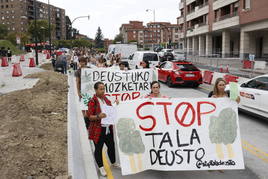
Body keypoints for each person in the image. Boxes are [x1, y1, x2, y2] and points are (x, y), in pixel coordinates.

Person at [87, 82, 119, 177]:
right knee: (98, 149)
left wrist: (115, 104)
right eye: (100, 89)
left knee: (111, 146)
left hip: (108, 128)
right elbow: (89, 116)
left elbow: (110, 109)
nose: (103, 91)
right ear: (96, 90)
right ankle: (101, 167)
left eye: (104, 89)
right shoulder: (92, 101)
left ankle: (113, 162)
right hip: (98, 130)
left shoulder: (105, 99)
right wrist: (98, 116)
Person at [75, 57, 90, 129]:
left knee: (90, 106)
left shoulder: (90, 69)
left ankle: (88, 120)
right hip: (82, 90)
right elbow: (77, 82)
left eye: (83, 62)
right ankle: (85, 121)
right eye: (80, 62)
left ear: (85, 62)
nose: (82, 63)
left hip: (90, 90)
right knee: (83, 107)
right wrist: (78, 92)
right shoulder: (78, 71)